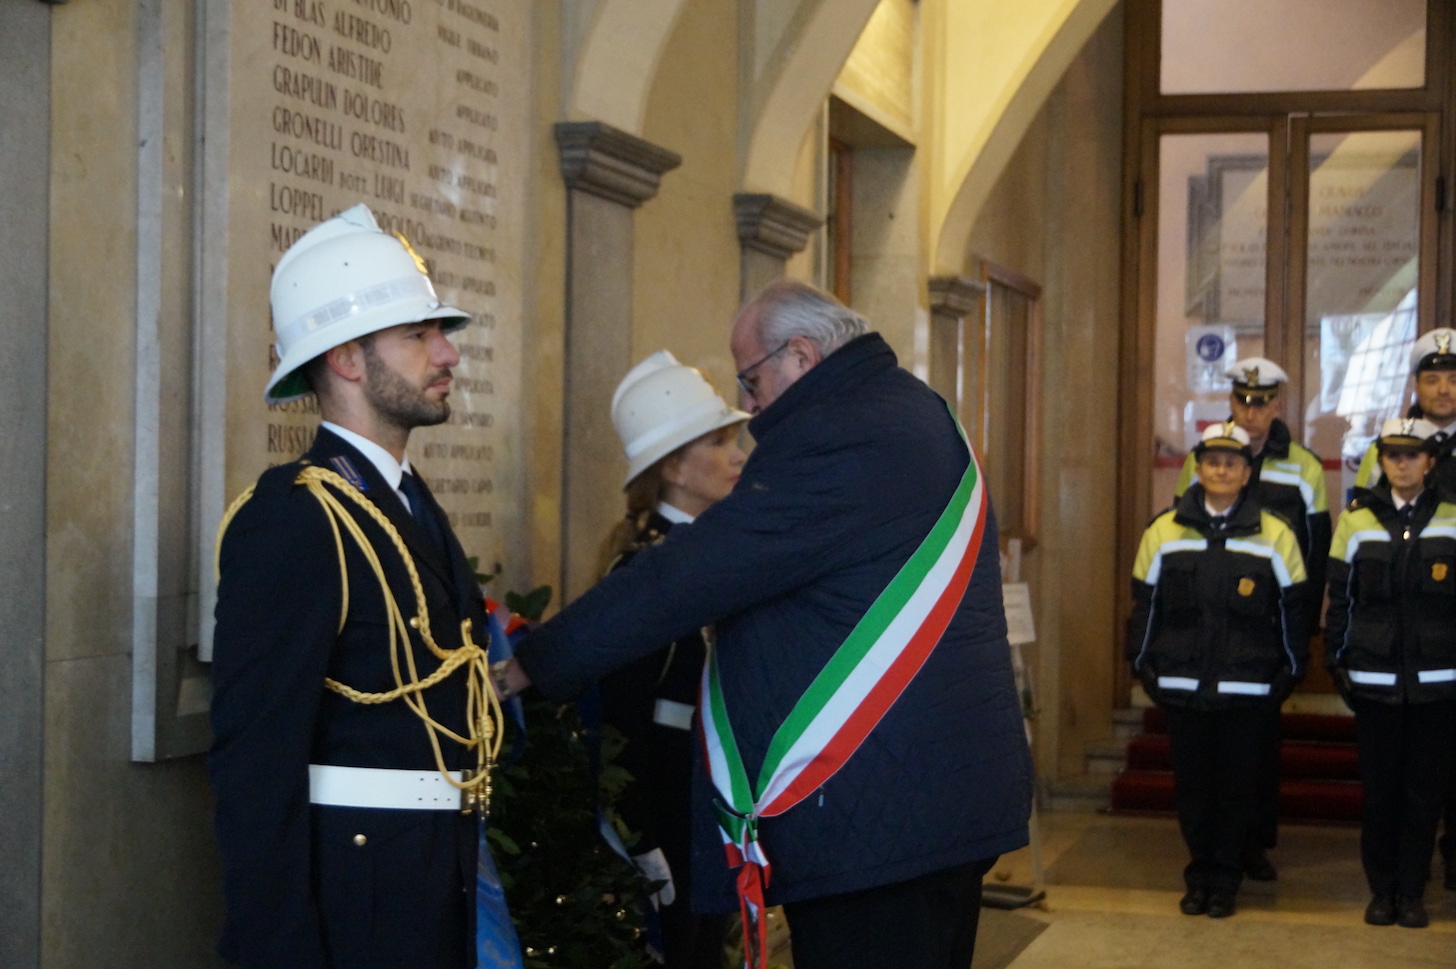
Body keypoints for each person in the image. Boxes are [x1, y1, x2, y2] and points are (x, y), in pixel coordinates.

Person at [497, 280, 1032, 969]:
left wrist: (536, 660)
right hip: (936, 802)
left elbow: (691, 573)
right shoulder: (911, 407)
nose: (750, 410)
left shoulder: (837, 434)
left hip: (876, 824)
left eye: (751, 382)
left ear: (802, 355)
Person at [209, 205, 500, 969]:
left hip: (427, 883)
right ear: (345, 358)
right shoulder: (294, 519)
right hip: (354, 903)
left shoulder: (405, 499)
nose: (448, 354)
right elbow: (256, 766)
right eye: (418, 334)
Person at [597, 351, 746, 968]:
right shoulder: (651, 569)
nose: (739, 456)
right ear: (677, 467)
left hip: (709, 807)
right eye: (721, 442)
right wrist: (643, 838)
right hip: (674, 815)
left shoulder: (702, 555)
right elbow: (623, 720)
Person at [1128, 422, 1308, 920]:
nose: (1221, 470)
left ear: (1247, 473)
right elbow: (1146, 607)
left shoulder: (1276, 533)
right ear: (1198, 468)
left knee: (1235, 788)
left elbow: (1292, 610)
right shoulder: (1163, 530)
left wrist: (1291, 670)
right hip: (1184, 685)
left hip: (1246, 688)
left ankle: (1225, 880)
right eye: (1212, 462)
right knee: (1192, 788)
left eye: (1232, 463)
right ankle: (1199, 873)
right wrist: (1141, 662)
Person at [1173, 357, 1329, 882]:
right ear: (1232, 402)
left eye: (1262, 402)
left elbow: (1315, 551)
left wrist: (1302, 634)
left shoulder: (1303, 466)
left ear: (1277, 406)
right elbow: (1180, 541)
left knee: (1259, 748)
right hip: (1210, 629)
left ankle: (1254, 843)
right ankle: (1215, 849)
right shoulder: (1204, 459)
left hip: (1267, 631)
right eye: (1243, 400)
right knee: (1212, 753)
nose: (1252, 410)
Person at [1326, 417, 1456, 929]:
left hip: (1439, 681)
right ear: (1380, 462)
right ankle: (1382, 890)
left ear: (1429, 461)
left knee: (1425, 793)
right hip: (1375, 681)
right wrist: (1337, 659)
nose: (1402, 463)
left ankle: (1412, 889)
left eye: (1413, 454)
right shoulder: (1355, 520)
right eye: (1393, 455)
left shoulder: (1452, 516)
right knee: (1380, 792)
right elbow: (1341, 598)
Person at [1351, 328, 1456, 888]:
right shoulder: (1388, 449)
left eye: (1453, 378)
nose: (1444, 389)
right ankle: (1401, 879)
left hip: (1446, 644)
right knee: (1411, 778)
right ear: (1416, 384)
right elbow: (1367, 523)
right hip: (1399, 645)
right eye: (1433, 378)